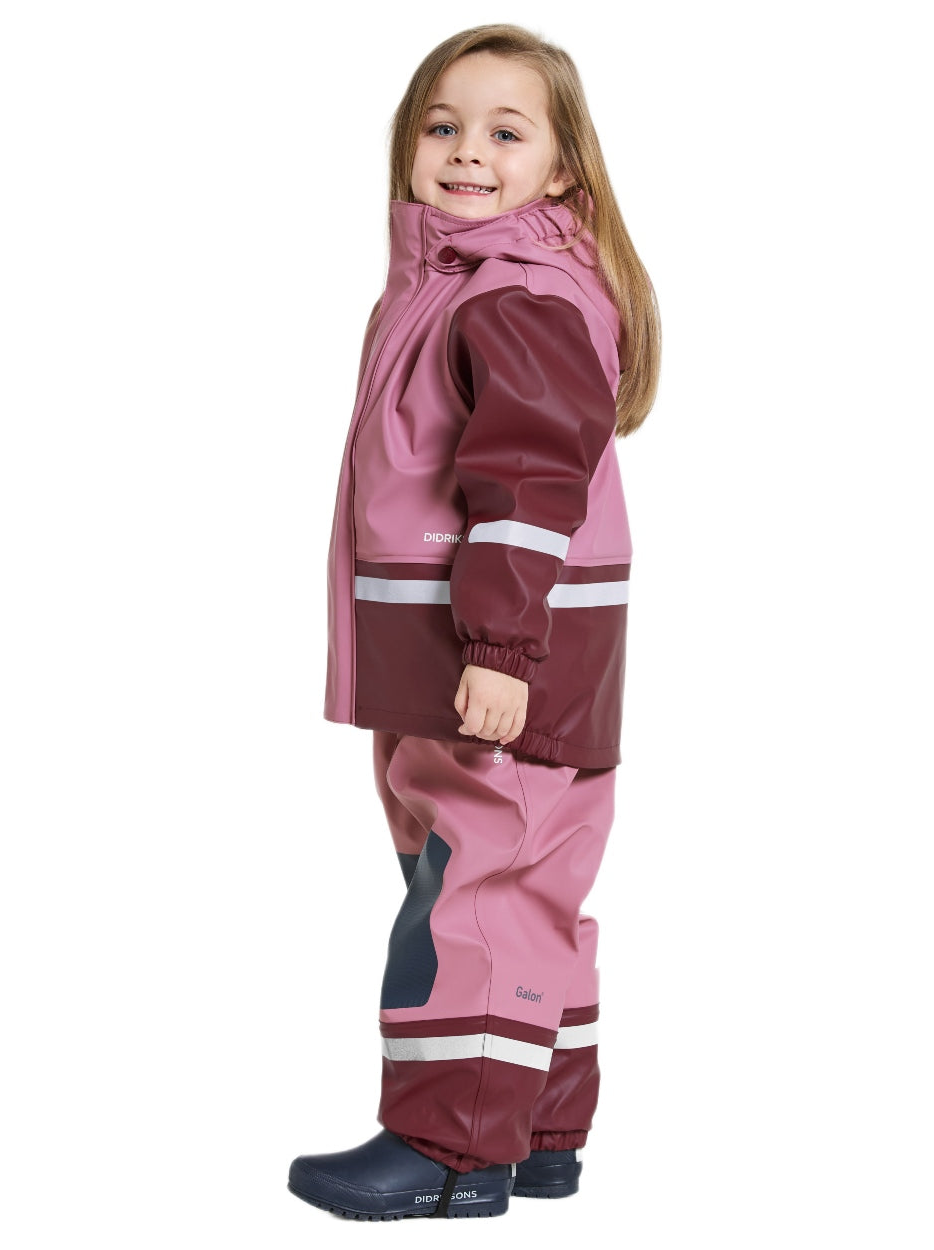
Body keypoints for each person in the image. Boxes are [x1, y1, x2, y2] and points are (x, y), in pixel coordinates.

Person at [287, 23, 661, 1221]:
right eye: (442, 126)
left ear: (562, 167)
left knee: (474, 895)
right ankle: (534, 1131)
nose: (464, 152)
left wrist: (501, 649)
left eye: (505, 132)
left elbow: (529, 482)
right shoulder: (455, 284)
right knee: (522, 885)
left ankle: (447, 1148)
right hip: (471, 658)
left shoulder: (514, 294)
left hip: (491, 659)